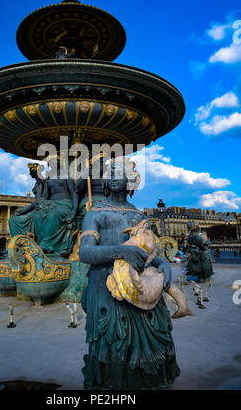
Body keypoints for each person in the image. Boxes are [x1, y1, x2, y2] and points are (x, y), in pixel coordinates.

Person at [79, 161, 180, 390]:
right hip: (107, 284)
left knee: (157, 332)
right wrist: (121, 250)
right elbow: (85, 252)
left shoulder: (139, 215)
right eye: (110, 173)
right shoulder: (96, 213)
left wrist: (163, 264)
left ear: (131, 180)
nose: (115, 177)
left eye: (121, 173)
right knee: (116, 342)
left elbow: (149, 254)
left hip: (141, 285)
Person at [9, 163, 45, 238]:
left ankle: (22, 239)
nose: (29, 173)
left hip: (40, 210)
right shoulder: (37, 184)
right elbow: (35, 202)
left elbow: (39, 202)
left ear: (35, 172)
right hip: (35, 209)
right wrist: (25, 209)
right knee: (13, 218)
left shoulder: (43, 183)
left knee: (13, 220)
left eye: (30, 171)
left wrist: (26, 209)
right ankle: (21, 239)